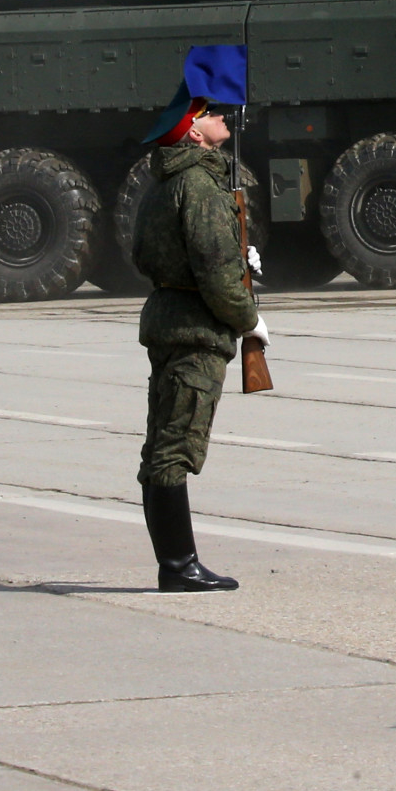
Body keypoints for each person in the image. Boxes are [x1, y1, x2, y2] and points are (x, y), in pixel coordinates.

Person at [130, 92, 265, 592]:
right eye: (211, 114)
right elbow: (213, 268)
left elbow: (147, 252)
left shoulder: (162, 185)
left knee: (162, 445)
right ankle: (178, 566)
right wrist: (249, 319)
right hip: (196, 331)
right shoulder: (200, 187)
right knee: (174, 449)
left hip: (168, 320)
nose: (223, 117)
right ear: (192, 131)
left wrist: (236, 253)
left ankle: (177, 562)